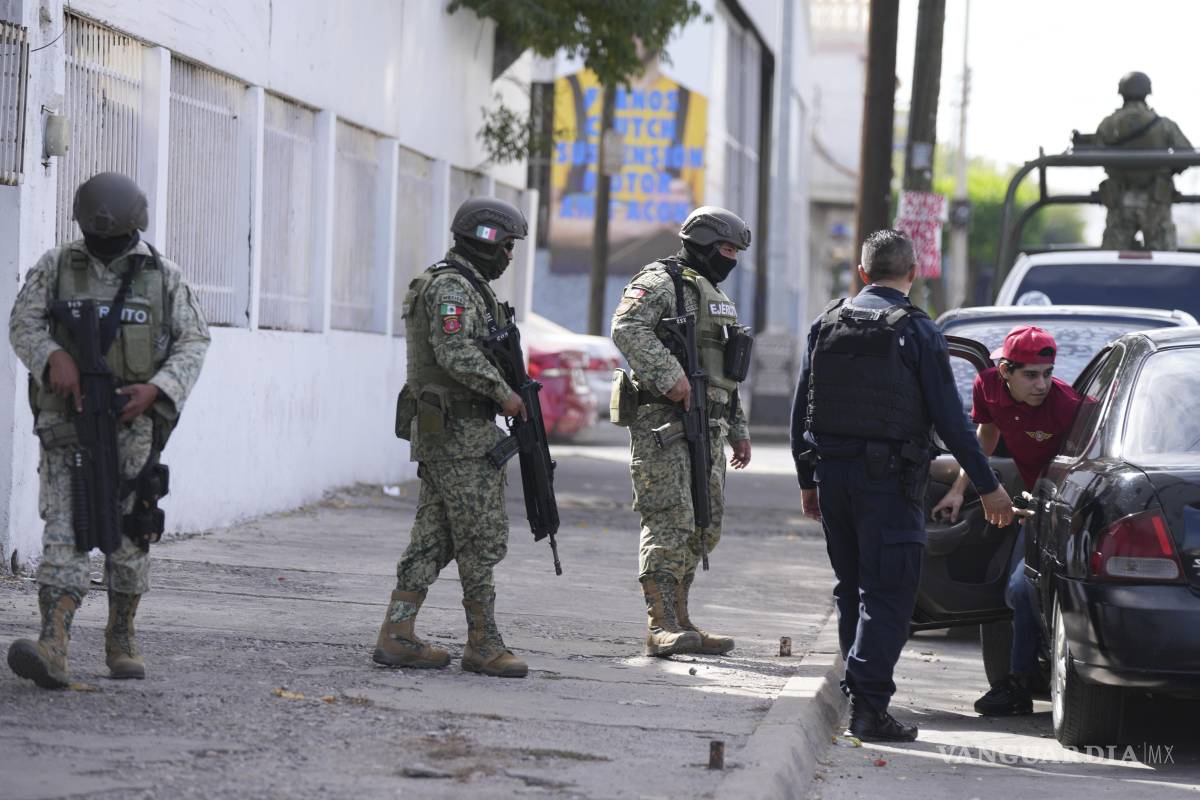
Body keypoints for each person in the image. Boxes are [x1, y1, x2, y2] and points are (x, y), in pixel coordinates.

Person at [791, 229, 1014, 742]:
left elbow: (801, 406)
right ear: (913, 274)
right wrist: (988, 486)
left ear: (863, 272)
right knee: (888, 596)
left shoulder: (826, 323)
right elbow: (952, 423)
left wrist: (808, 479)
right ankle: (869, 708)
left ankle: (857, 695)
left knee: (853, 589)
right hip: (889, 485)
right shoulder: (918, 331)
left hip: (834, 478)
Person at [7, 172, 210, 689]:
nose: (102, 247)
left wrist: (157, 390)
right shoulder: (56, 267)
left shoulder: (162, 275)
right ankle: (54, 642)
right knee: (64, 529)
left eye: (112, 238)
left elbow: (194, 340)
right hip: (68, 423)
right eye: (94, 237)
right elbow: (22, 323)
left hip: (132, 426)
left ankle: (121, 635)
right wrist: (52, 357)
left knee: (131, 534)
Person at [372, 197, 530, 679]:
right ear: (483, 240)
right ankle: (483, 642)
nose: (508, 256)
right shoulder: (451, 288)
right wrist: (504, 394)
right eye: (505, 246)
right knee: (480, 537)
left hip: (461, 433)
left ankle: (397, 634)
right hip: (457, 434)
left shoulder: (469, 286)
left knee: (434, 538)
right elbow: (454, 350)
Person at [610, 206, 753, 658]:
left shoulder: (712, 295)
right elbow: (627, 327)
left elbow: (725, 371)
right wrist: (670, 374)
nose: (731, 258)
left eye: (736, 252)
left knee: (701, 525)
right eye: (727, 248)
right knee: (668, 518)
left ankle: (683, 618)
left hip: (709, 425)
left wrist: (738, 429)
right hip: (664, 423)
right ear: (705, 242)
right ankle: (661, 625)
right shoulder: (660, 281)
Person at [932, 326, 1085, 716]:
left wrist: (1049, 510)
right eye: (1030, 375)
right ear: (1005, 372)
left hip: (1063, 509)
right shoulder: (987, 387)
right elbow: (985, 437)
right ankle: (1018, 686)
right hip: (1033, 503)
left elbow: (1083, 469)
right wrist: (959, 490)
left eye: (1047, 374)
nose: (1042, 384)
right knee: (1015, 591)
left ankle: (1029, 676)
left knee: (1020, 588)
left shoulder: (1068, 406)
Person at [1095, 71, 1192, 250]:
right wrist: (1166, 170)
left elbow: (1095, 154)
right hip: (1156, 199)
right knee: (1164, 263)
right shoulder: (1163, 124)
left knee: (1111, 263)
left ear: (1121, 93)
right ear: (1147, 92)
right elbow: (1187, 155)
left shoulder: (1108, 124)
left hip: (1119, 200)